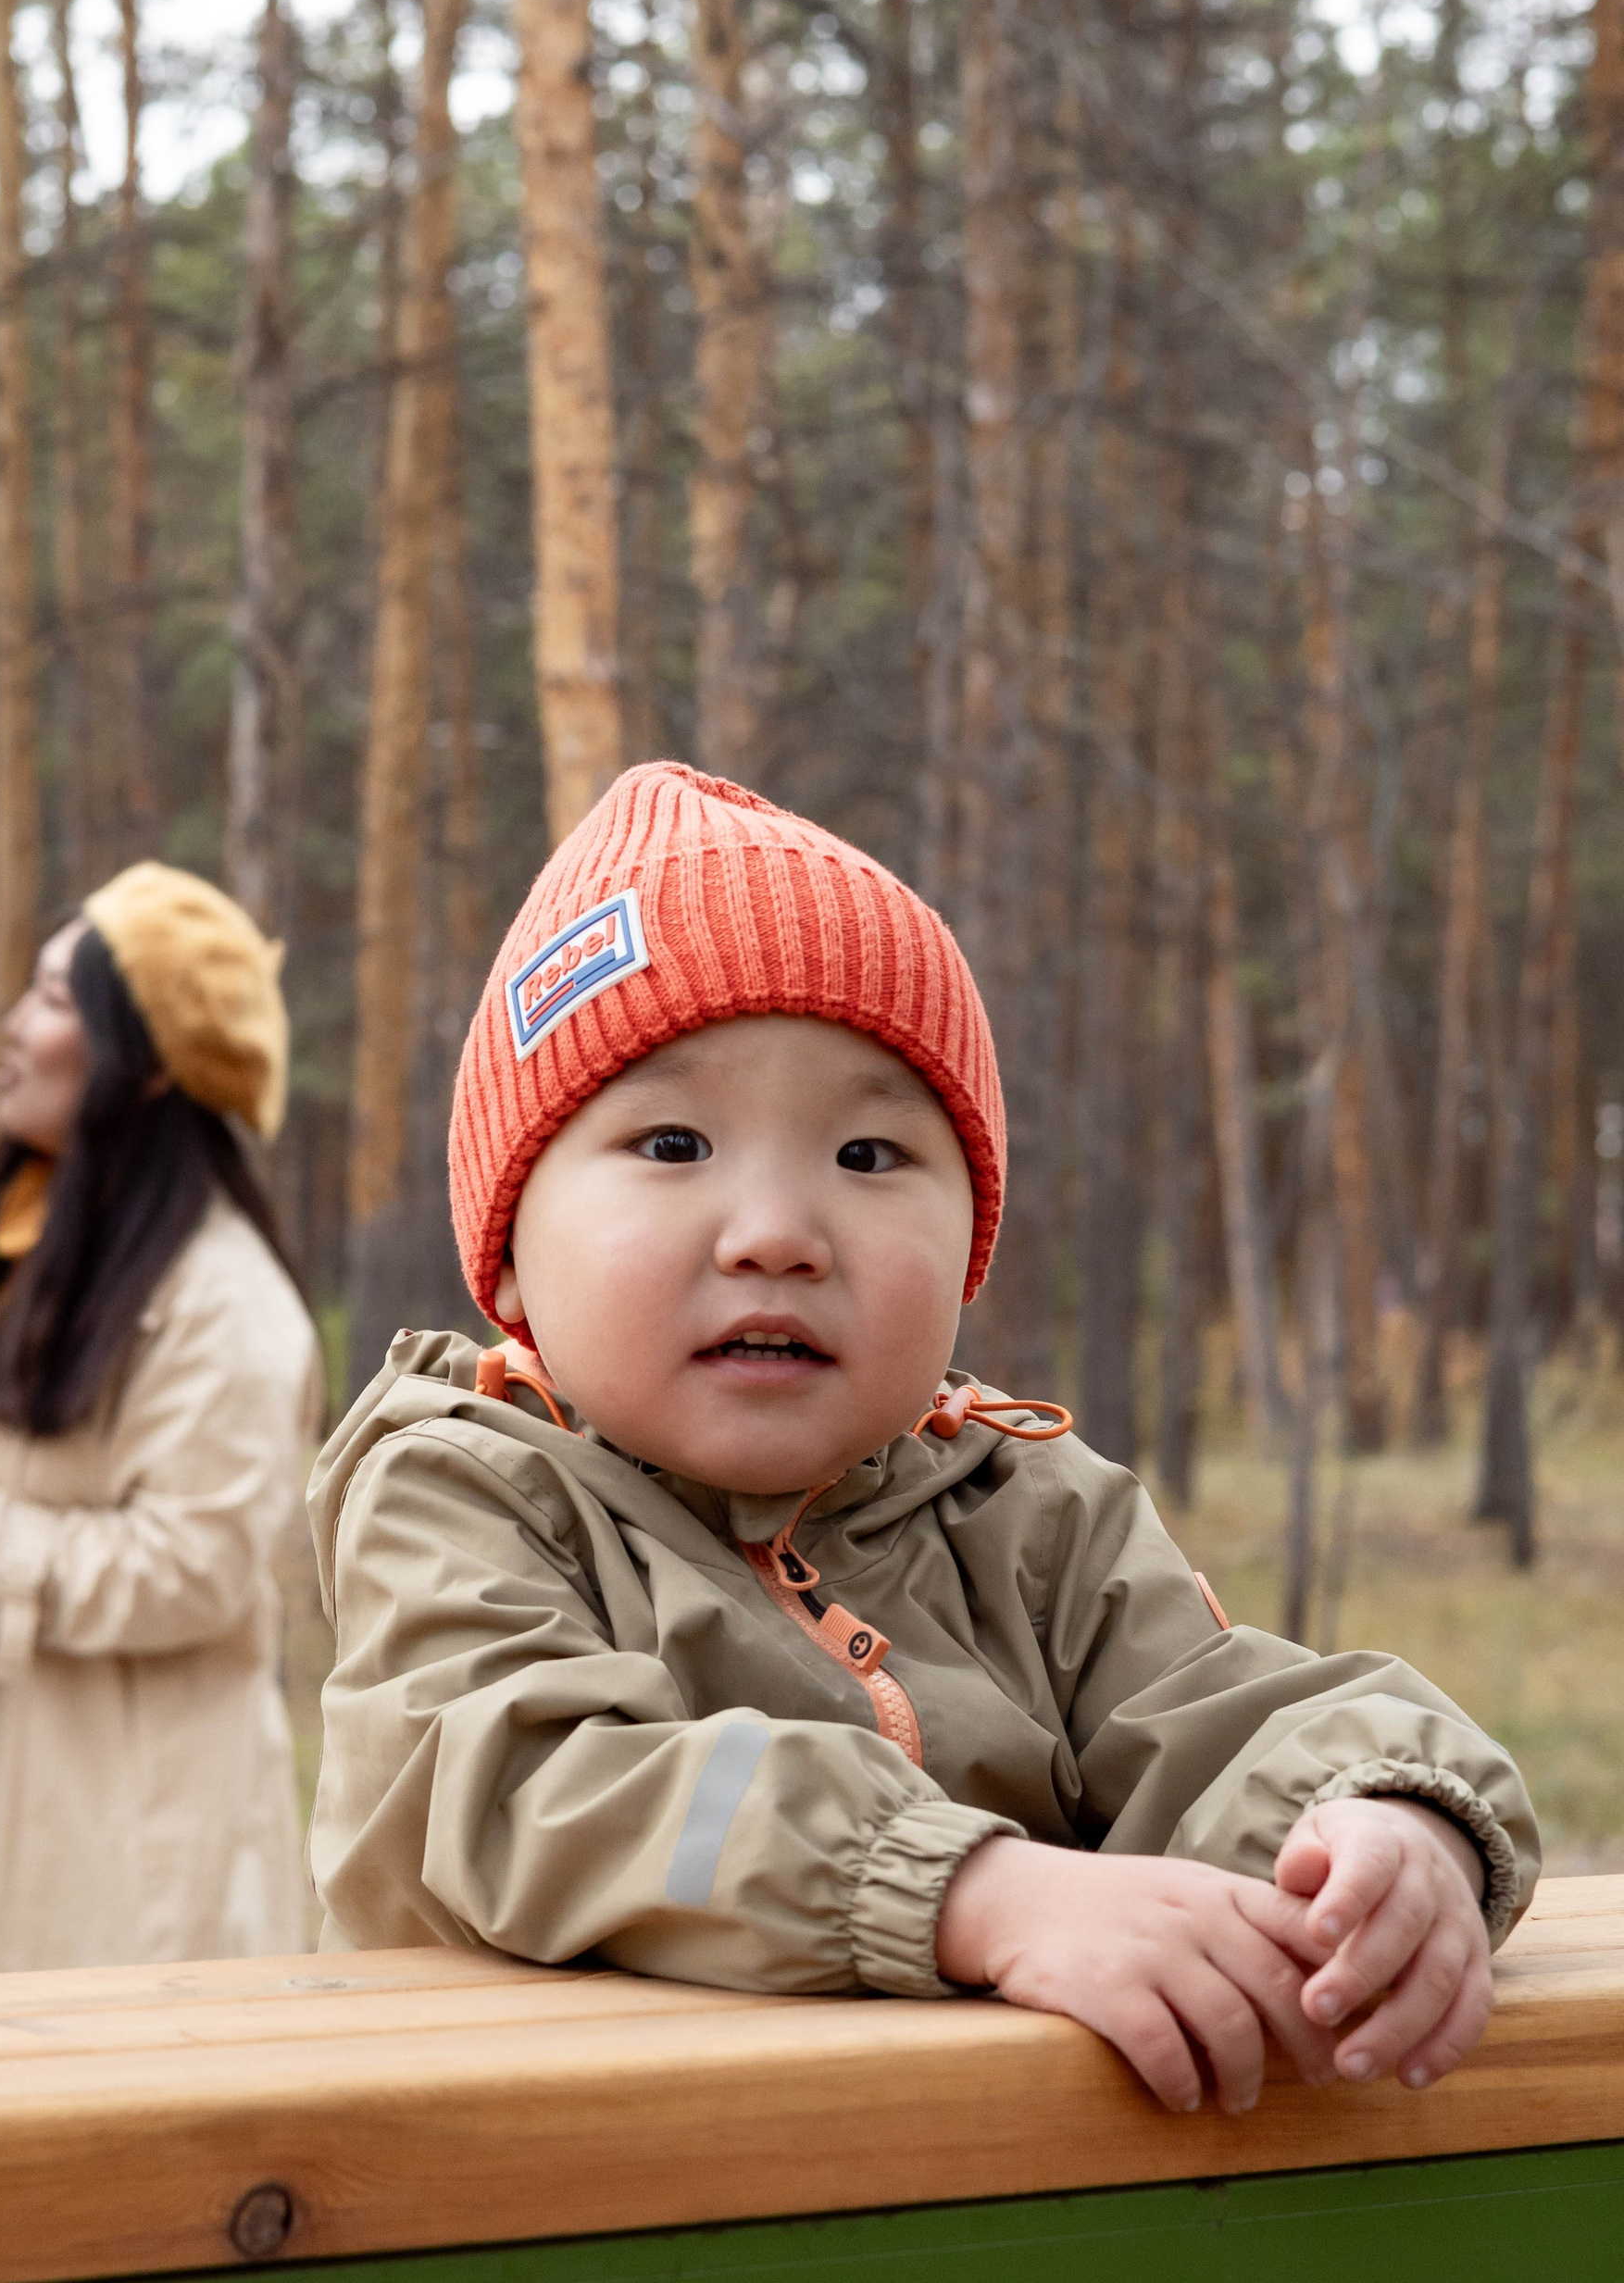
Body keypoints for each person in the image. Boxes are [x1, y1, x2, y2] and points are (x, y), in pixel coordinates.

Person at [308, 761, 1538, 2117]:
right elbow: (525, 1787)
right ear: (506, 1253)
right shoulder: (462, 1491)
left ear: (971, 1246)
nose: (775, 1232)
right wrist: (968, 1892)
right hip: (554, 2174)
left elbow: (1225, 1712)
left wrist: (1379, 1826)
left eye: (866, 1157)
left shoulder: (1027, 1517)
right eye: (671, 1144)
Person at [0, 863, 321, 1975]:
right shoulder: (37, 1247)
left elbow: (194, 1568)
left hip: (132, 1861)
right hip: (10, 1808)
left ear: (152, 1063)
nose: (13, 1026)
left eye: (55, 999)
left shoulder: (221, 1300)